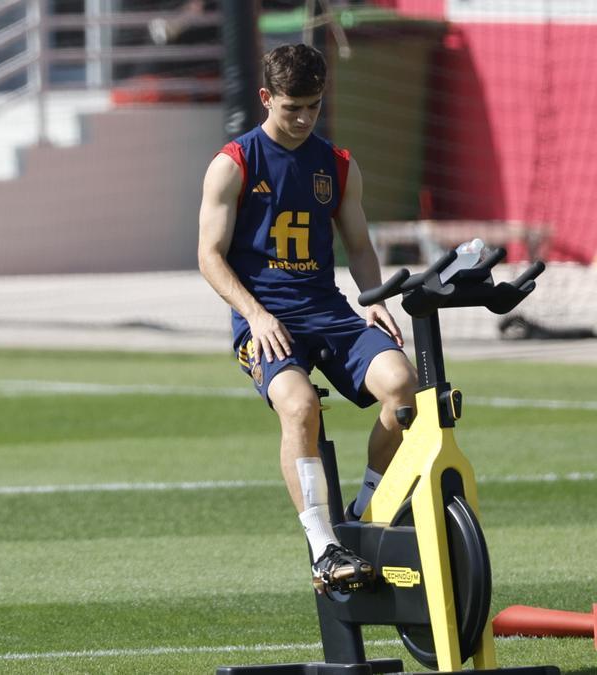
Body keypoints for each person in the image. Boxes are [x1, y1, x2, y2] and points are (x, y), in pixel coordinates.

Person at [197, 43, 417, 593]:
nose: (302, 118)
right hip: (264, 321)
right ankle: (324, 546)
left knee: (405, 387)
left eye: (313, 107)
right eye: (292, 107)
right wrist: (255, 313)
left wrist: (374, 298)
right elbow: (208, 256)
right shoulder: (234, 163)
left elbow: (360, 244)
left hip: (329, 312)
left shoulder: (337, 165)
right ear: (267, 97)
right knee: (298, 408)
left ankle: (363, 512)